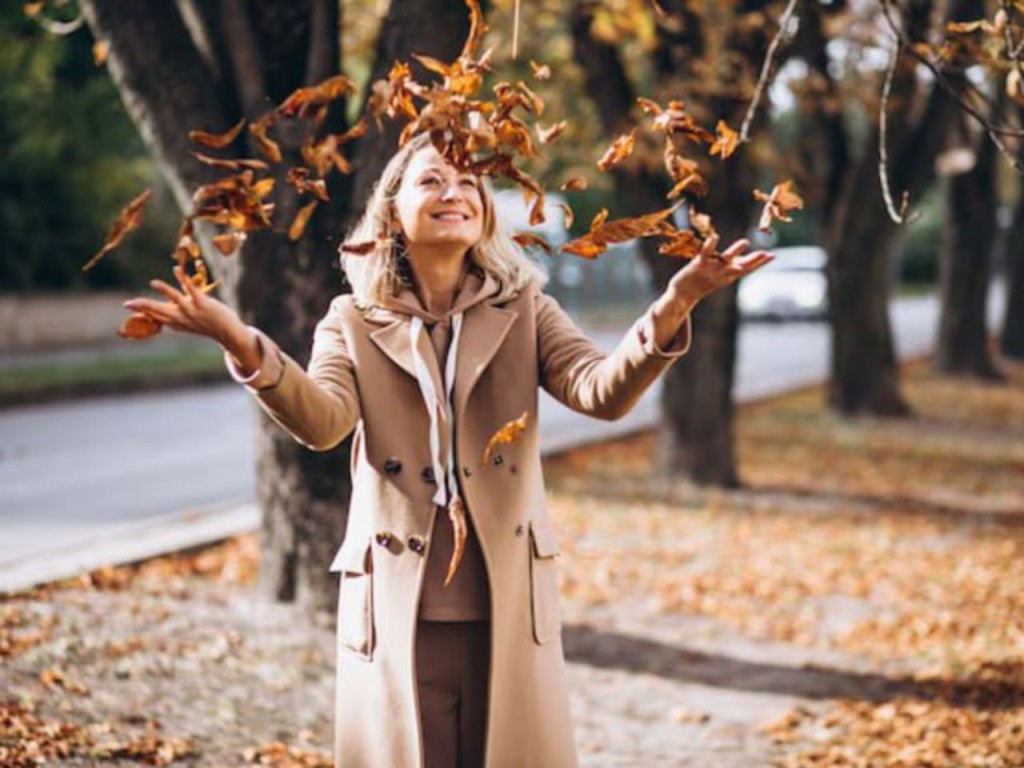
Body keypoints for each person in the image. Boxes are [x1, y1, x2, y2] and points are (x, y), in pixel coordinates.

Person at [125, 131, 773, 768]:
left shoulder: (527, 309)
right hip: (397, 608)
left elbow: (600, 391)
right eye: (431, 179)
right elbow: (323, 423)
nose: (454, 191)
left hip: (506, 598)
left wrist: (677, 300)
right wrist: (240, 341)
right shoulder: (350, 319)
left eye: (468, 182)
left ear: (485, 212)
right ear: (393, 212)